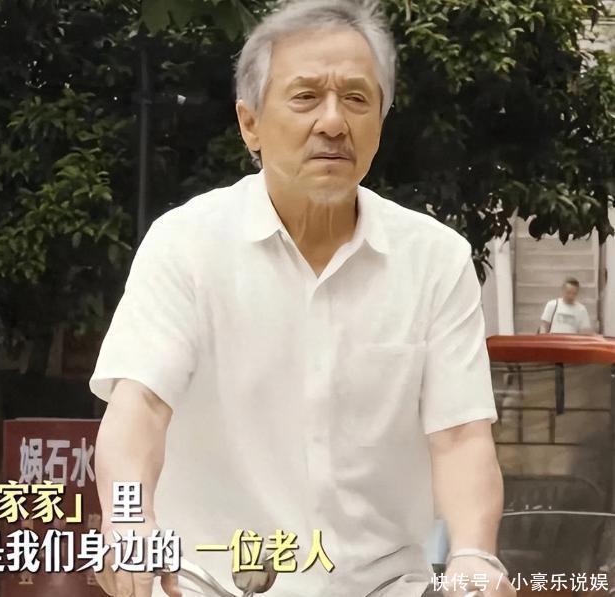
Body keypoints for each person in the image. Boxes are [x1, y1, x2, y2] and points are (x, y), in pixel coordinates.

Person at [90, 1, 515, 596]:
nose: (333, 122)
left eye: (357, 99)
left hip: (382, 585)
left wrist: (474, 555)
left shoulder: (436, 260)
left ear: (380, 122)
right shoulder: (186, 243)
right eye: (306, 96)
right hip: (209, 582)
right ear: (250, 124)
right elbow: (139, 407)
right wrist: (127, 519)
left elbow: (460, 436)